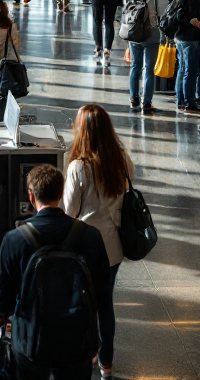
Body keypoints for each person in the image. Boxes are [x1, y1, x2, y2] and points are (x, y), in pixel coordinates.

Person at [0, 164, 113, 380]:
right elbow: (102, 290)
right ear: (61, 193)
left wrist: (2, 315)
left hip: (32, 340)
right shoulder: (90, 236)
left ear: (31, 196)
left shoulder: (15, 239)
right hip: (77, 339)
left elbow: (0, 292)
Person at [63, 105, 133, 379]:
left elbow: (69, 211)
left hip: (83, 246)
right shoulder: (124, 161)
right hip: (113, 247)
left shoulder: (79, 167)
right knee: (105, 304)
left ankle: (85, 354)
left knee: (82, 304)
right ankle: (107, 363)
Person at [123, 0, 166, 114]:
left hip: (133, 30)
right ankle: (146, 103)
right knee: (148, 69)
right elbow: (162, 12)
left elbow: (127, 6)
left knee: (135, 66)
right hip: (151, 31)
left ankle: (133, 99)